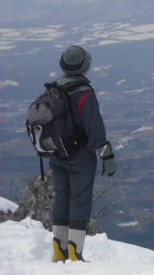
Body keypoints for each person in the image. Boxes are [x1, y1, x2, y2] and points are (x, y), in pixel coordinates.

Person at [50, 45, 117, 262]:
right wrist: (107, 156)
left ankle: (58, 249)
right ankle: (74, 251)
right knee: (80, 200)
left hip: (56, 154)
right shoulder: (84, 93)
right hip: (80, 155)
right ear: (85, 67)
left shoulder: (53, 89)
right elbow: (95, 130)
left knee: (61, 198)